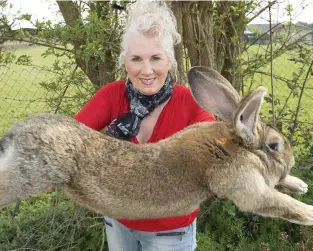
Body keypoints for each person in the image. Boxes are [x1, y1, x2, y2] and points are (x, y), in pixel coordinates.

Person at [74, 1, 215, 250]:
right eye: (136, 59)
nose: (146, 70)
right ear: (125, 62)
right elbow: (67, 139)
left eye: (156, 58)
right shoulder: (111, 96)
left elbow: (210, 161)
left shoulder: (193, 104)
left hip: (170, 232)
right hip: (118, 222)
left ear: (170, 61)